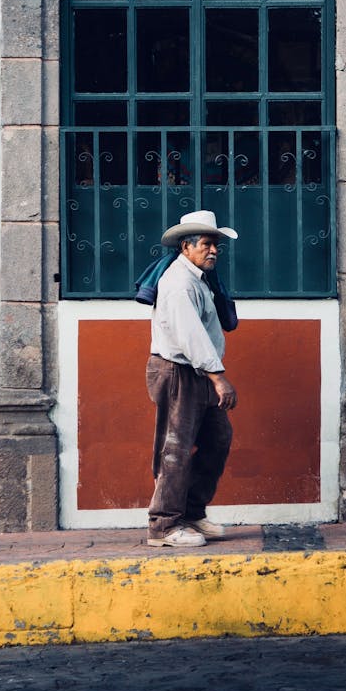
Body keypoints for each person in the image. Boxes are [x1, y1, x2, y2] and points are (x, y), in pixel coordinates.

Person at [146, 209, 239, 548]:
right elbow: (190, 337)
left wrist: (212, 375)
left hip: (198, 371)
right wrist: (219, 379)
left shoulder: (197, 279)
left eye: (216, 245)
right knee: (176, 450)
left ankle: (191, 512)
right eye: (205, 244)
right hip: (179, 372)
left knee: (217, 440)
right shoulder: (179, 284)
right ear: (185, 247)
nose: (213, 250)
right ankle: (164, 525)